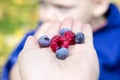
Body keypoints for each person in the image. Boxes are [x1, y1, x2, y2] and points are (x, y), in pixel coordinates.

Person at [2, 0, 120, 80]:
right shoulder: (39, 37)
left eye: (62, 7)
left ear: (98, 4)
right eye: (43, 3)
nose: (47, 15)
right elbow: (10, 74)